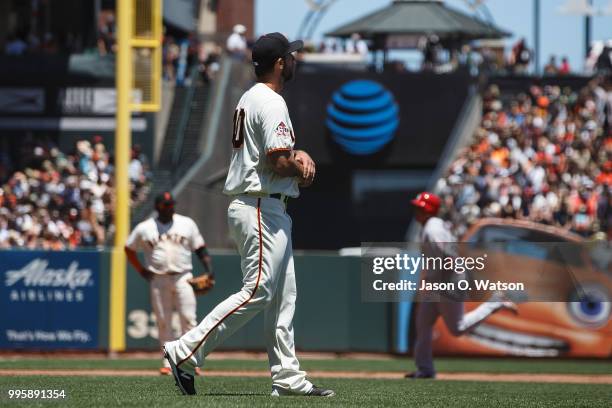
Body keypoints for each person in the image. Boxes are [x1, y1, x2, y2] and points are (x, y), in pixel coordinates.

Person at [163, 32, 334, 397]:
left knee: (283, 295)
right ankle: (185, 351)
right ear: (279, 63)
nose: (294, 60)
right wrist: (300, 165)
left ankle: (287, 377)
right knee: (258, 289)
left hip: (265, 204)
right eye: (291, 56)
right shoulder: (271, 102)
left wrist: (294, 155)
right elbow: (277, 160)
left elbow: (272, 154)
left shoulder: (250, 97)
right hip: (259, 205)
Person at [406, 192, 518, 379]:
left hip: (448, 283)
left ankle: (494, 303)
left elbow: (449, 259)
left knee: (457, 328)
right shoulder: (430, 226)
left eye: (419, 207)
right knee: (423, 325)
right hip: (439, 282)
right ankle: (425, 370)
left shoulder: (432, 230)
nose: (416, 210)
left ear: (428, 210)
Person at [125, 192, 213, 375]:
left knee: (188, 319)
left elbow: (200, 248)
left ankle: (190, 360)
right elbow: (128, 248)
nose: (170, 207)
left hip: (184, 277)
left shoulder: (187, 223)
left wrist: (208, 269)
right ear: (157, 207)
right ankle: (167, 362)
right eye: (166, 205)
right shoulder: (145, 227)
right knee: (163, 321)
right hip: (158, 278)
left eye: (172, 204)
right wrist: (140, 269)